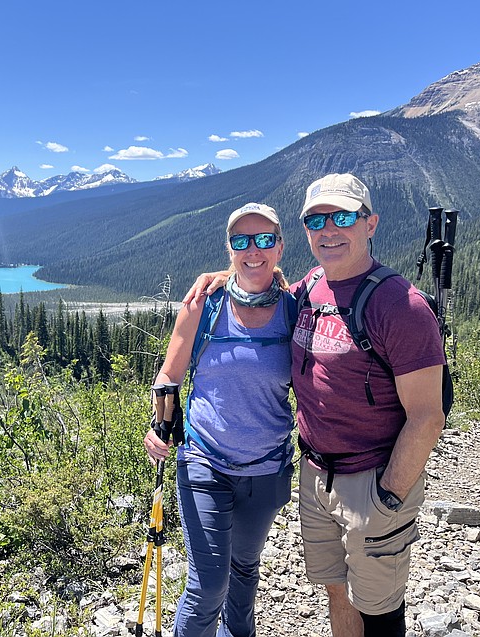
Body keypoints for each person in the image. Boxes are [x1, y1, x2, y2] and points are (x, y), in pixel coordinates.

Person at [184, 174, 446, 637]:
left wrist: (389, 494)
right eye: (316, 219)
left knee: (380, 606)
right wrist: (223, 277)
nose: (329, 229)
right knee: (337, 592)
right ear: (304, 231)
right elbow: (260, 279)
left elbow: (427, 415)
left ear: (371, 224)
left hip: (373, 476)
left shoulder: (398, 304)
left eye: (343, 217)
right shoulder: (310, 289)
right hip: (316, 474)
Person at [144, 202, 295, 637]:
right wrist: (161, 425)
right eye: (241, 241)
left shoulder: (293, 309)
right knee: (209, 584)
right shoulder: (203, 306)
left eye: (264, 239)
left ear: (280, 247)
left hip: (267, 470)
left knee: (244, 574)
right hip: (204, 461)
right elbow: (169, 375)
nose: (253, 249)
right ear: (229, 248)